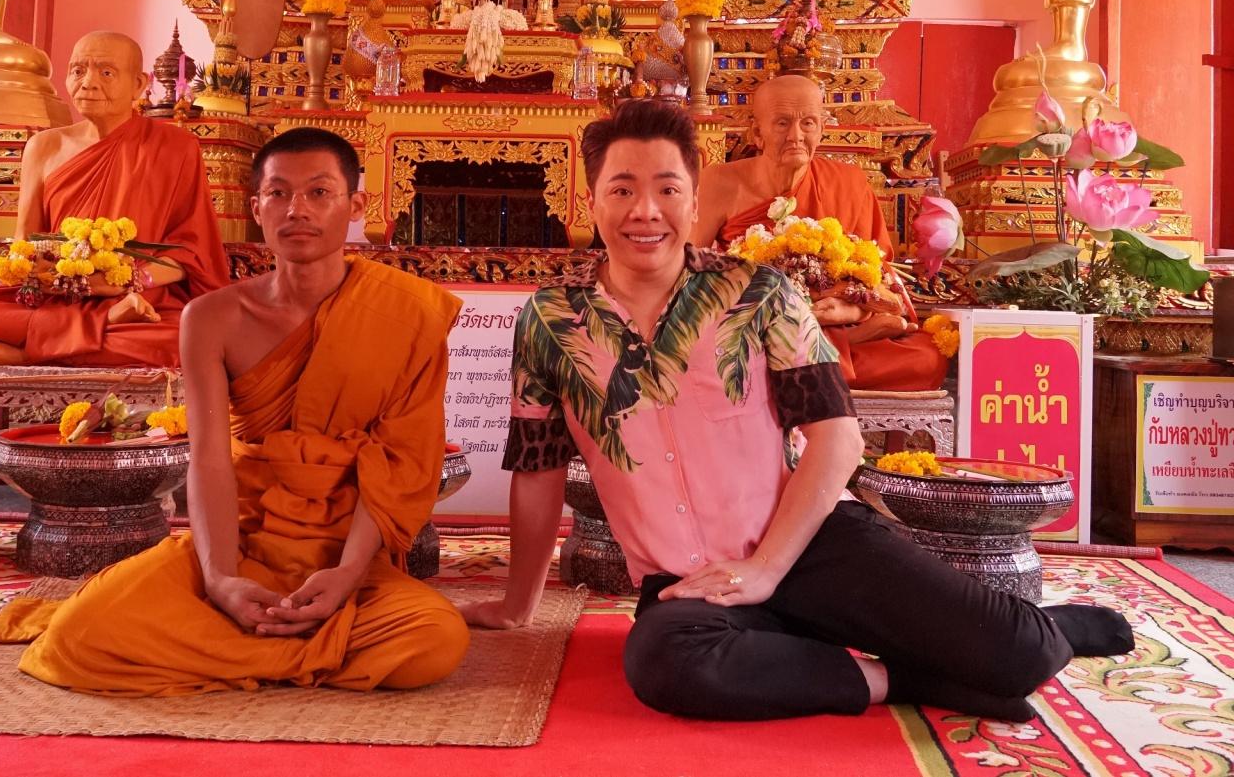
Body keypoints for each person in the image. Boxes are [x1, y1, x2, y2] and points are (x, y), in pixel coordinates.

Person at [463, 98, 1132, 721]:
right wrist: (519, 604)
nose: (646, 210)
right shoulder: (551, 321)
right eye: (622, 190)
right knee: (665, 663)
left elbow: (839, 441)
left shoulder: (759, 293)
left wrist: (764, 569)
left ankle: (1051, 627)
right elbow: (539, 469)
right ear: (591, 201)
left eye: (667, 189)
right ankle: (903, 680)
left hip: (810, 543)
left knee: (1020, 657)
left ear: (693, 199)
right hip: (689, 586)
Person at [0, 126, 469, 694]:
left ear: (356, 205)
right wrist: (219, 579)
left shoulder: (407, 313)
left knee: (434, 640)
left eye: (319, 193)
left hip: (342, 550)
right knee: (78, 636)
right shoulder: (212, 317)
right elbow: (210, 458)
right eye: (279, 193)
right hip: (242, 536)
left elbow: (402, 461)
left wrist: (345, 575)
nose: (298, 210)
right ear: (256, 208)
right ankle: (296, 645)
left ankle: (250, 643)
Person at [0, 31, 228, 365]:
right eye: (78, 70)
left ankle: (23, 354)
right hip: (56, 299)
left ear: (139, 84)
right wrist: (56, 276)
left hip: (136, 297)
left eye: (106, 72)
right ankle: (87, 334)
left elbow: (191, 251)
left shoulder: (175, 147)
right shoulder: (44, 146)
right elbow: (25, 243)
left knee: (181, 342)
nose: (88, 83)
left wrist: (129, 280)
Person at [692, 72, 947, 390]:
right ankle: (827, 349)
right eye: (782, 123)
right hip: (756, 326)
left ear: (822, 129)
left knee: (927, 357)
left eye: (808, 123)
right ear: (757, 132)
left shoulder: (849, 184)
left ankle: (822, 349)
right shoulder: (717, 182)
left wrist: (847, 311)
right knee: (713, 353)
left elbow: (881, 282)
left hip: (834, 322)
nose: (796, 136)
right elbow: (685, 273)